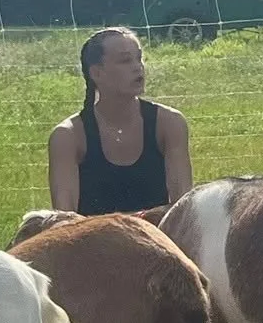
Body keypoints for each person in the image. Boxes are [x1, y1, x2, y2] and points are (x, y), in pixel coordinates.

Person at [46, 28, 192, 216]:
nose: (137, 67)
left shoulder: (170, 124)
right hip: (92, 243)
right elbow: (64, 220)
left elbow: (183, 211)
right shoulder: (68, 137)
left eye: (139, 58)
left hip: (157, 241)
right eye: (125, 60)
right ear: (97, 73)